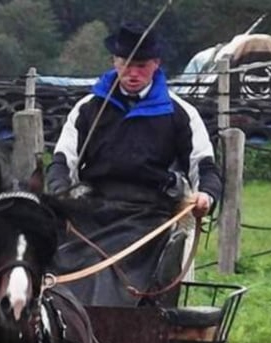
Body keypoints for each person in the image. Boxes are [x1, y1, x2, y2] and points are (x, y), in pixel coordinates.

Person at [46, 21, 222, 307]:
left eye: (141, 65)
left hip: (149, 215)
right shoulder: (88, 109)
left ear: (156, 64)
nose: (133, 73)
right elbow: (61, 162)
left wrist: (206, 196)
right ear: (114, 61)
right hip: (92, 210)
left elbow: (205, 167)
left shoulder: (180, 112)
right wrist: (60, 196)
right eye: (126, 64)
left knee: (122, 273)